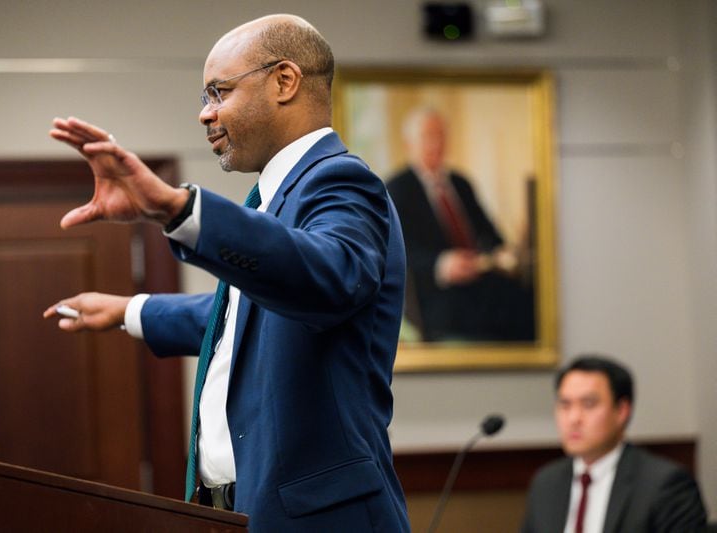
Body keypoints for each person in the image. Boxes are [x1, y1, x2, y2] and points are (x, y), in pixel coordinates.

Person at [43, 14, 410, 532]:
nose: (205, 115)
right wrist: (130, 309)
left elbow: (327, 279)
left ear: (285, 81)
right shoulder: (273, 197)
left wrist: (179, 210)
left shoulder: (339, 181)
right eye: (204, 98)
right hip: (238, 511)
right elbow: (245, 318)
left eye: (218, 93)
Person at [386, 107, 534, 342]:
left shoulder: (460, 183)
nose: (436, 144)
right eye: (428, 137)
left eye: (441, 136)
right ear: (409, 144)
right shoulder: (397, 189)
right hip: (437, 293)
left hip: (479, 280)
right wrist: (440, 264)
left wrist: (499, 254)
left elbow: (490, 235)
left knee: (527, 299)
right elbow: (398, 253)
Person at [521, 355, 707, 533]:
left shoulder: (665, 485)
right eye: (565, 405)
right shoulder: (546, 483)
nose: (573, 418)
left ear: (622, 411)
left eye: (588, 404)